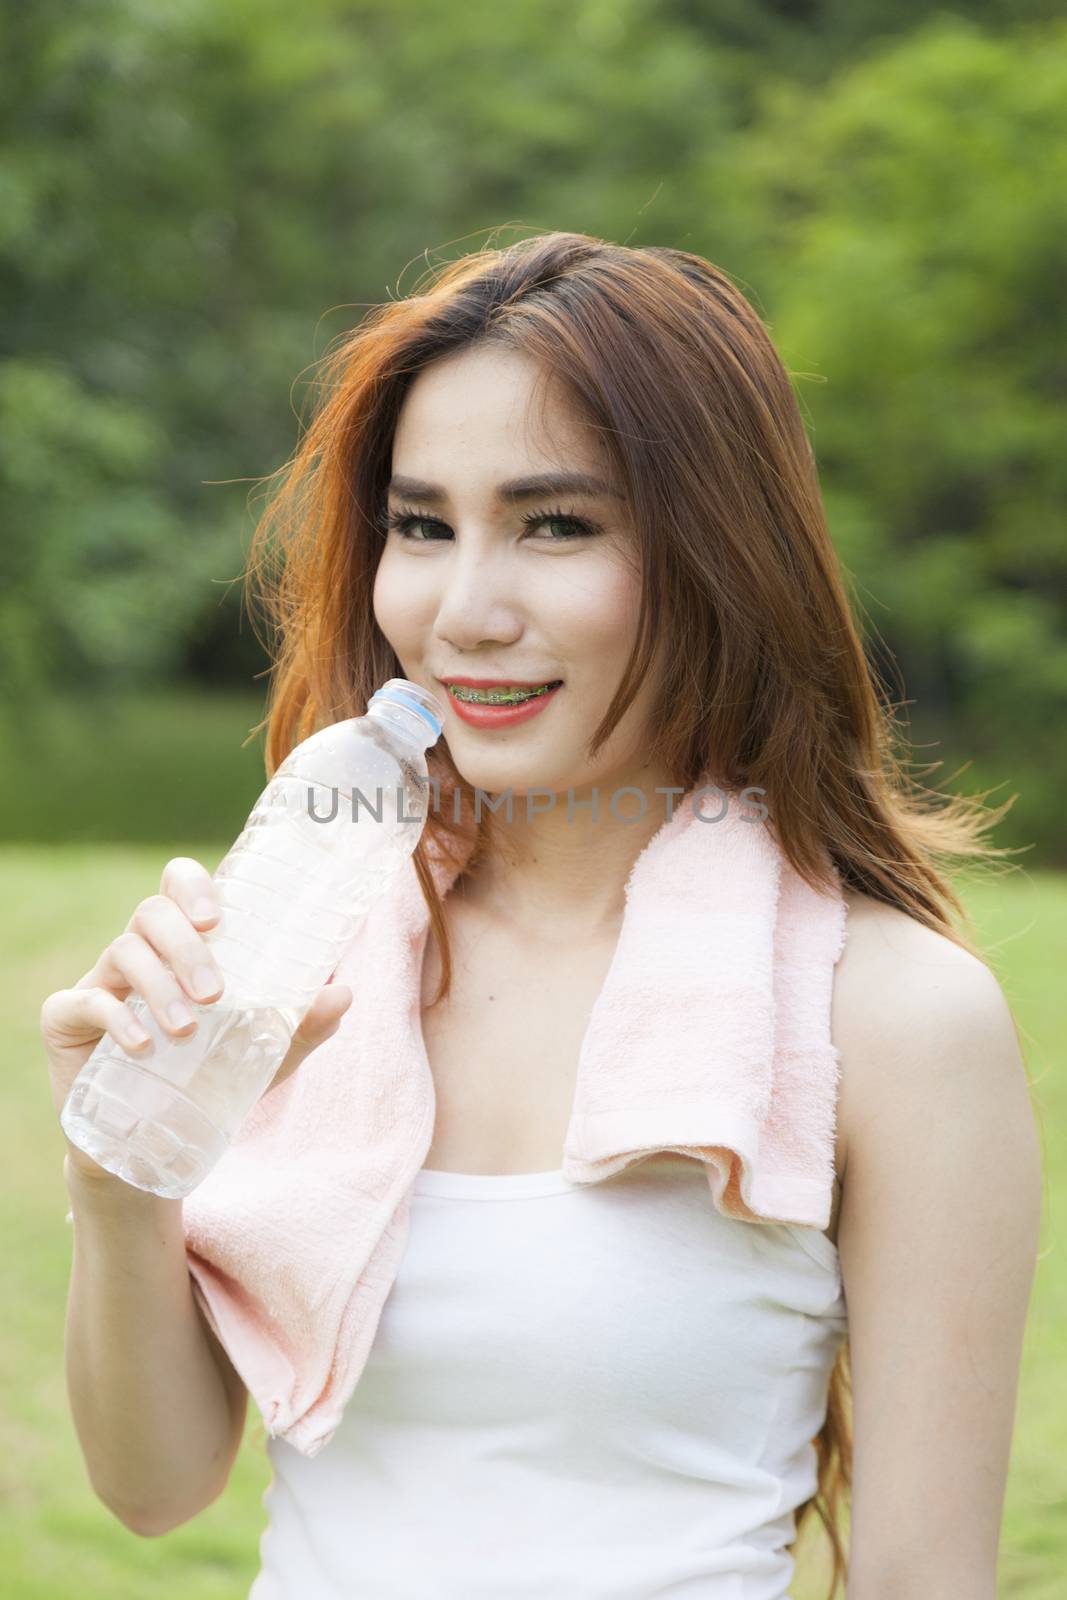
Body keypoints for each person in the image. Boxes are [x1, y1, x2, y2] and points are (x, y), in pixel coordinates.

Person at [45, 231, 1042, 1598]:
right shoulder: (313, 951)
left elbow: (926, 1579)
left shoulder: (892, 1018)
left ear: (715, 556)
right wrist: (123, 1180)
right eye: (421, 525)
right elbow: (155, 1489)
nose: (464, 612)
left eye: (556, 524)